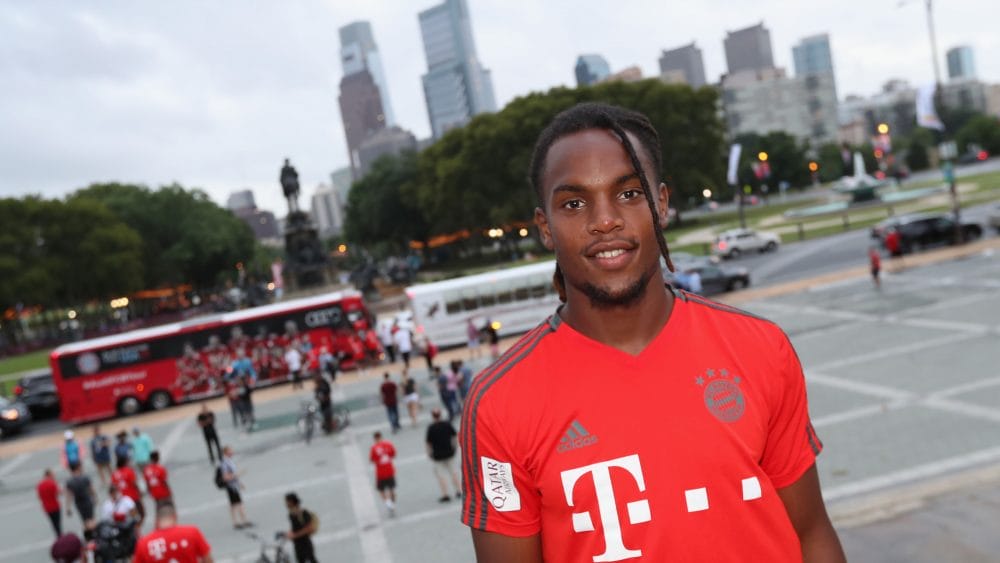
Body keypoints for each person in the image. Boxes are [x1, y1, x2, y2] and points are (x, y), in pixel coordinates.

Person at [459, 103, 845, 562]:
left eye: (628, 194)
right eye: (574, 203)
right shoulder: (499, 404)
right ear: (545, 226)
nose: (605, 220)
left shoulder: (760, 348)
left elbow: (812, 531)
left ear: (661, 204)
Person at [133, 502, 212, 563]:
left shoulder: (144, 543)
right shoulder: (192, 532)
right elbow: (207, 559)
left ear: (156, 521)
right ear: (175, 517)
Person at [425, 408, 462, 503]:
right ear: (440, 415)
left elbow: (428, 443)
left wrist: (429, 453)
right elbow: (455, 436)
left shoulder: (431, 428)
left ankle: (445, 494)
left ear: (432, 416)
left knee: (441, 476)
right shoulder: (447, 424)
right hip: (450, 452)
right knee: (454, 472)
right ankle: (459, 490)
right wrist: (455, 447)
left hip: (437, 456)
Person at [220, 446, 250, 529]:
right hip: (231, 487)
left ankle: (238, 522)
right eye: (230, 450)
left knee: (234, 504)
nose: (232, 452)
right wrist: (239, 474)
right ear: (226, 452)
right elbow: (225, 477)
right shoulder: (225, 463)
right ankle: (242, 521)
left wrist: (239, 483)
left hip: (234, 486)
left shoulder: (228, 461)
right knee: (237, 504)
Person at [64, 463, 97, 538]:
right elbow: (91, 489)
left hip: (79, 503)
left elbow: (69, 495)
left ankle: (88, 537)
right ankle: (95, 535)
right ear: (78, 467)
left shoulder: (70, 481)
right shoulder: (84, 477)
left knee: (85, 521)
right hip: (87, 500)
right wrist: (95, 497)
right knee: (92, 519)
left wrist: (68, 507)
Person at [284, 493, 318, 563]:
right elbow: (295, 528)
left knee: (312, 560)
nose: (286, 504)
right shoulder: (291, 515)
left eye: (287, 501)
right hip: (297, 545)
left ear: (292, 502)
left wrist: (295, 535)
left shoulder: (303, 513)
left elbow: (309, 528)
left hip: (306, 544)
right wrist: (289, 534)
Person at [369, 432, 397, 516]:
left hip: (380, 473)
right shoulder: (389, 444)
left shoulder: (374, 448)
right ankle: (393, 504)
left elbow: (372, 460)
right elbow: (393, 454)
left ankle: (388, 503)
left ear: (374, 439)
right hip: (390, 471)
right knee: (391, 489)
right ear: (381, 437)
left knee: (381, 490)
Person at [111, 457, 144, 526]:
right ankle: (137, 528)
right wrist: (140, 491)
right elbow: (134, 483)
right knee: (140, 514)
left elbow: (113, 487)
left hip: (122, 499)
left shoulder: (114, 474)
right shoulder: (129, 471)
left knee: (128, 517)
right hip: (133, 497)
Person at [37, 468, 62, 536]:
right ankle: (59, 535)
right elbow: (59, 492)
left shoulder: (40, 485)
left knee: (53, 523)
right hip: (55, 506)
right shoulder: (52, 483)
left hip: (46, 507)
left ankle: (58, 535)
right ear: (49, 475)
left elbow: (39, 497)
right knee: (58, 523)